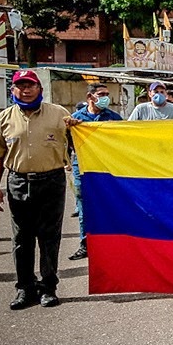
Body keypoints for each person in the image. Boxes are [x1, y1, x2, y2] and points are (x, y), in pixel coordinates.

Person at [0, 69, 78, 309]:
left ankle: (48, 288)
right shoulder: (3, 119)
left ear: (40, 89)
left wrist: (79, 127)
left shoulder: (60, 114)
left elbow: (81, 141)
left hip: (51, 181)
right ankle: (25, 288)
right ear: (13, 90)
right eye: (21, 86)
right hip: (17, 182)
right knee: (21, 239)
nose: (26, 90)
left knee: (49, 238)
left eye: (31, 85)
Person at [66, 83, 122, 261]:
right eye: (102, 94)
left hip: (108, 167)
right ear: (90, 97)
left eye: (107, 94)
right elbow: (66, 142)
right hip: (82, 166)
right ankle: (86, 244)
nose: (106, 97)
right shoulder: (75, 119)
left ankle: (111, 243)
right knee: (84, 207)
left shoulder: (114, 118)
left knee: (110, 204)